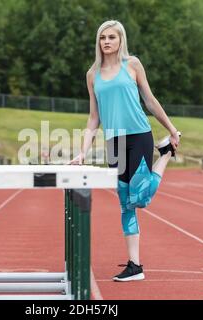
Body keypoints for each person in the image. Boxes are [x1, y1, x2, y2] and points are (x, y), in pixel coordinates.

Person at [69, 20, 181, 281]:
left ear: (121, 40)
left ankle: (165, 154)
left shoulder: (132, 65)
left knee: (140, 198)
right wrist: (83, 151)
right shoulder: (92, 74)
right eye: (102, 38)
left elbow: (150, 101)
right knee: (125, 202)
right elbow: (93, 117)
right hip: (114, 142)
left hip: (139, 136)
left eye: (112, 37)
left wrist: (172, 129)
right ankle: (135, 266)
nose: (106, 41)